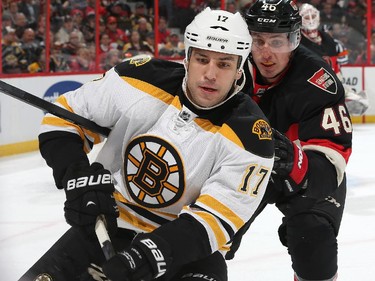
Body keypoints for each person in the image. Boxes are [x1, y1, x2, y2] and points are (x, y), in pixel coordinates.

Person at [18, 7, 274, 281]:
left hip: (188, 252)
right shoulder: (138, 80)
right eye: (202, 59)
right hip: (110, 222)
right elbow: (63, 118)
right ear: (187, 58)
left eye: (224, 64)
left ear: (239, 70)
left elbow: (214, 221)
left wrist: (148, 254)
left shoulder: (251, 137)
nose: (210, 74)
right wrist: (77, 175)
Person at [226, 1, 352, 281]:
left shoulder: (318, 79)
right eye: (257, 41)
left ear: (294, 39)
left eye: (277, 41)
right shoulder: (228, 65)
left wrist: (295, 164)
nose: (266, 53)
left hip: (302, 170)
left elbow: (330, 161)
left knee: (314, 242)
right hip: (241, 166)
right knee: (206, 238)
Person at [299, 3, 369, 116]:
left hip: (327, 84)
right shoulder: (296, 42)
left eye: (312, 16)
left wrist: (340, 85)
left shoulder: (328, 39)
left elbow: (335, 67)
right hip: (308, 88)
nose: (311, 20)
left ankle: (340, 100)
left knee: (352, 97)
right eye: (307, 17)